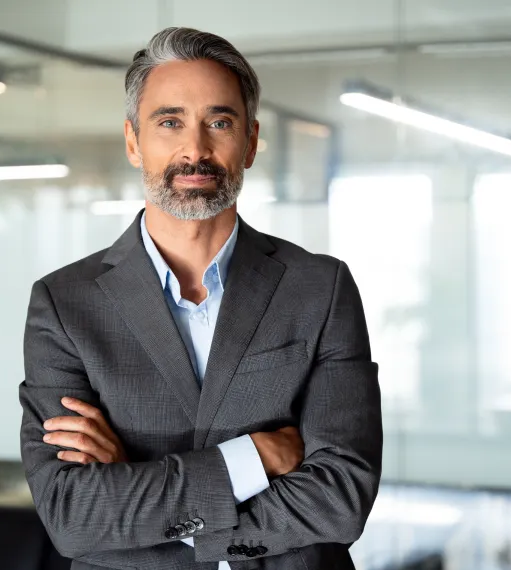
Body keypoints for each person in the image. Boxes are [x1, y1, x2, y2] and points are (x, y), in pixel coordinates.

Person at [19, 27, 382, 570]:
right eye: (170, 122)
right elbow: (74, 517)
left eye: (220, 122)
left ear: (251, 141)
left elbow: (340, 498)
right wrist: (253, 457)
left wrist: (141, 504)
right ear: (133, 141)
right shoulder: (64, 304)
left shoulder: (320, 288)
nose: (196, 149)